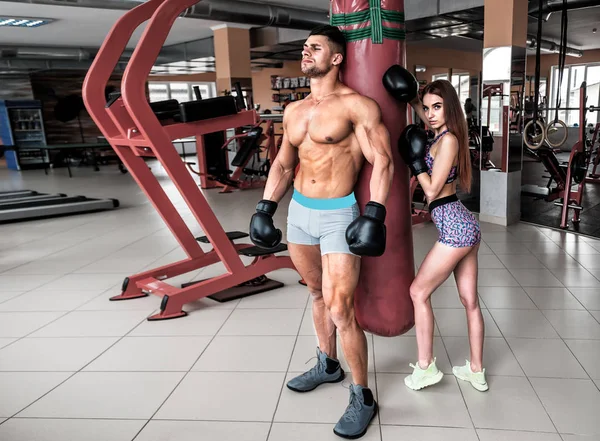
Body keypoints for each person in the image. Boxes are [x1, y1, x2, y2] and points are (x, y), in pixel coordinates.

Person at [248, 25, 420, 439]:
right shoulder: (294, 111)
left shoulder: (356, 107)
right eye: (305, 48)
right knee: (314, 292)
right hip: (300, 214)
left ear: (337, 58)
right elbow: (285, 165)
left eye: (315, 48)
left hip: (338, 214)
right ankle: (327, 364)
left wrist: (374, 213)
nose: (306, 53)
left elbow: (382, 161)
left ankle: (362, 395)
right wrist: (265, 207)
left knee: (342, 308)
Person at [396, 80, 487, 392]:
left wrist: (416, 162)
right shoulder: (439, 136)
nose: (431, 114)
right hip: (465, 226)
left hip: (455, 230)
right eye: (427, 108)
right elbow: (422, 113)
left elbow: (432, 190)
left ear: (450, 107)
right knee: (469, 301)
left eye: (438, 107)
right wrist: (411, 99)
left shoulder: (448, 142)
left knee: (418, 292)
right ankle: (476, 370)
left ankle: (426, 367)